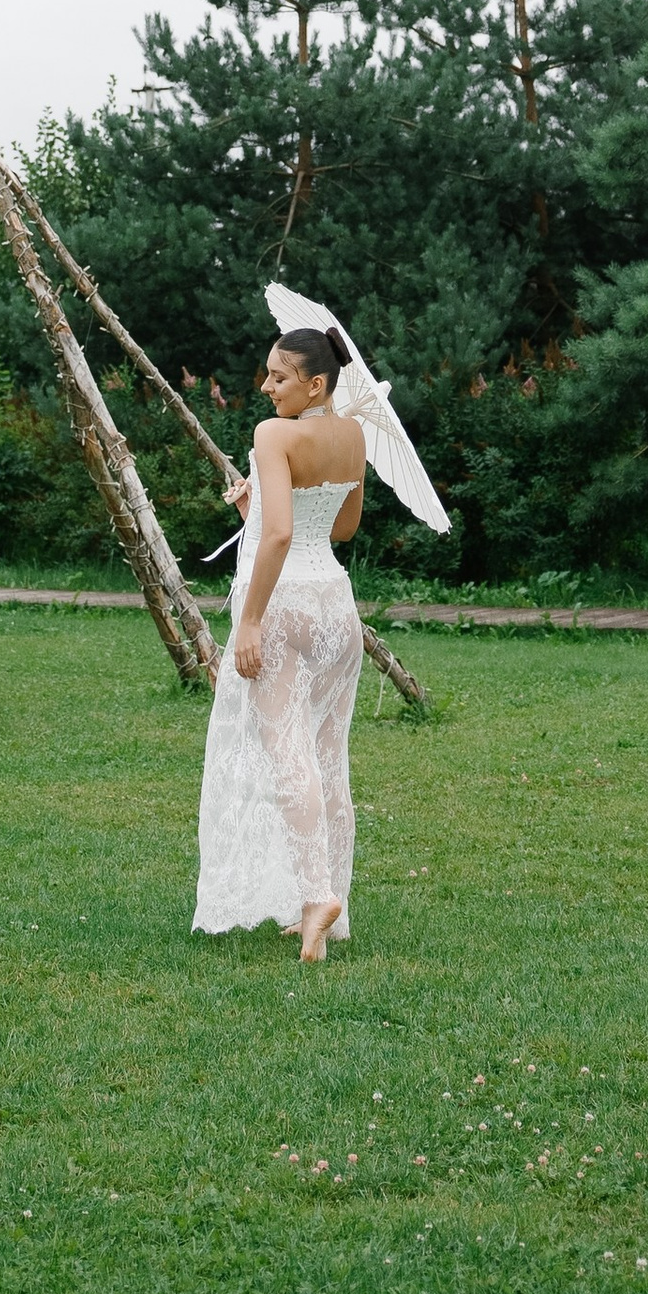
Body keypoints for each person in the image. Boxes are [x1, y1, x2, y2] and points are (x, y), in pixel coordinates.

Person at [192, 282, 454, 963]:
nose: (266, 387)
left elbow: (279, 538)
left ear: (314, 385)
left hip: (282, 606)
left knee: (288, 757)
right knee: (329, 758)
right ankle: (334, 906)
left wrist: (247, 624)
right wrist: (255, 507)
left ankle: (315, 899)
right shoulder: (352, 434)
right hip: (336, 606)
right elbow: (339, 527)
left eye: (278, 377)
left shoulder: (273, 434)